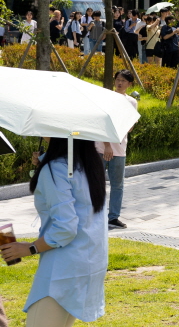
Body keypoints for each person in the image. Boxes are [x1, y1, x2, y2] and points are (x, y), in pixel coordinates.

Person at [1, 138, 108, 325]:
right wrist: (45, 163)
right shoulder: (89, 164)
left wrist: (30, 248)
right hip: (90, 261)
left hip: (62, 268)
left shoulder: (55, 169)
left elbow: (66, 227)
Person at [94, 70, 138, 230]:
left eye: (123, 81)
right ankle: (95, 215)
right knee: (97, 183)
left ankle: (113, 217)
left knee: (117, 185)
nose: (119, 83)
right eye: (118, 79)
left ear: (129, 84)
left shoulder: (132, 102)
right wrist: (107, 145)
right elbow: (102, 122)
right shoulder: (107, 98)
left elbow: (130, 127)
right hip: (101, 148)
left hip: (120, 149)